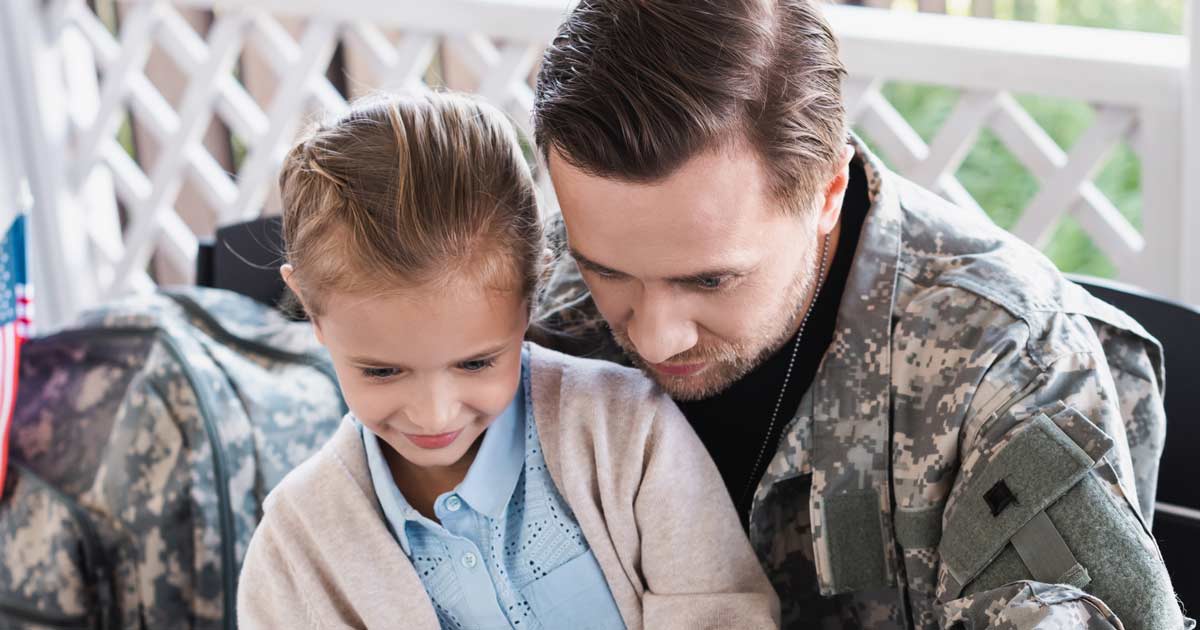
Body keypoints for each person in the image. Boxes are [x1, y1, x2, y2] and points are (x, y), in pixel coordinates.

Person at [529, 1, 1194, 628]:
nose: (654, 337)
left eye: (710, 280)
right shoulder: (531, 304)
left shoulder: (1013, 363)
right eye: (606, 271)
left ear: (828, 192)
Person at [236, 92, 779, 630]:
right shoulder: (294, 550)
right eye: (382, 371)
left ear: (530, 294)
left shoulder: (628, 434)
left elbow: (722, 616)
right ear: (310, 308)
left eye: (475, 364)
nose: (434, 415)